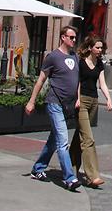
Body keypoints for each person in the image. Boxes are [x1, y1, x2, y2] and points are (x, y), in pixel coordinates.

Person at [25, 24, 81, 191]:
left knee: (53, 141)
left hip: (68, 106)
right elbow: (41, 80)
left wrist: (78, 97)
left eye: (75, 37)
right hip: (54, 103)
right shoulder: (53, 57)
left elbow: (77, 80)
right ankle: (69, 178)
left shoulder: (75, 57)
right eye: (71, 37)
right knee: (63, 142)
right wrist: (31, 101)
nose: (74, 40)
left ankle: (38, 169)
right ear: (63, 37)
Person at [69, 34, 112, 188]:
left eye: (101, 48)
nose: (100, 50)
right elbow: (78, 81)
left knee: (79, 137)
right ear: (90, 48)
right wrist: (78, 98)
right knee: (88, 139)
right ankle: (92, 176)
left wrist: (108, 99)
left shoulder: (99, 64)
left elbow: (102, 83)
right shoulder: (81, 63)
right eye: (97, 47)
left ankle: (69, 167)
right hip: (82, 101)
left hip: (93, 102)